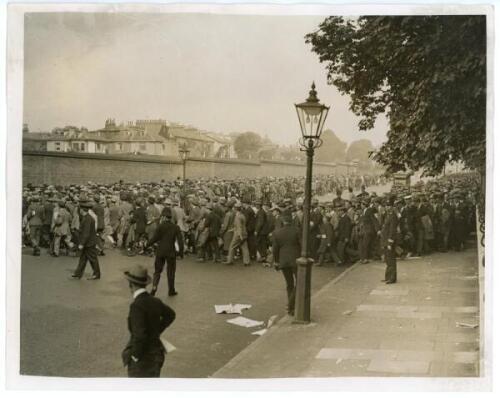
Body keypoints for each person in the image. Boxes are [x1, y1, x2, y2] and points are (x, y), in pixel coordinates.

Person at [122, 264, 176, 378]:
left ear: (130, 285)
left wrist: (134, 356)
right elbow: (170, 315)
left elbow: (139, 335)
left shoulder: (136, 306)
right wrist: (156, 331)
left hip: (143, 359)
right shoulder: (155, 301)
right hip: (156, 354)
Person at [146, 207, 184, 297]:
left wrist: (146, 245)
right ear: (170, 217)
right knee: (171, 272)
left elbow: (154, 238)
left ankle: (154, 288)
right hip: (171, 252)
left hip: (160, 251)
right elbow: (180, 242)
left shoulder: (160, 226)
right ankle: (171, 290)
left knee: (157, 271)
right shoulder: (176, 227)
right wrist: (180, 253)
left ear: (163, 216)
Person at [272, 211, 301, 316]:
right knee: (300, 283)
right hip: (296, 260)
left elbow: (275, 250)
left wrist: (276, 262)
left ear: (283, 221)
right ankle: (290, 304)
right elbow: (302, 245)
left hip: (283, 261)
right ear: (291, 220)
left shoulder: (277, 233)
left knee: (289, 284)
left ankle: (291, 308)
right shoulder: (297, 231)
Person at [70, 200, 101, 280]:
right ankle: (78, 273)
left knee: (92, 259)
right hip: (89, 242)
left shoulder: (87, 219)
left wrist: (81, 244)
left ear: (82, 210)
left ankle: (96, 274)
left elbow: (86, 233)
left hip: (89, 243)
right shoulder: (87, 217)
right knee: (83, 258)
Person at [381, 198, 399, 284]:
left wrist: (390, 243)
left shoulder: (393, 216)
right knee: (388, 260)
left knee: (391, 260)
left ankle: (392, 278)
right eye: (387, 206)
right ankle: (388, 276)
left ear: (392, 207)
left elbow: (392, 231)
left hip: (389, 241)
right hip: (385, 240)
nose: (388, 207)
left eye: (389, 206)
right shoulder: (388, 215)